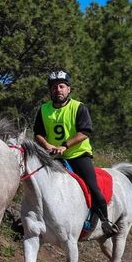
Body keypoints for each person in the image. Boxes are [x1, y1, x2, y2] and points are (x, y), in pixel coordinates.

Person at [34, 70, 114, 236]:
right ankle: (28, 219)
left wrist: (65, 146)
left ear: (68, 89)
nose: (58, 90)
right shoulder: (43, 110)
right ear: (50, 91)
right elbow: (38, 134)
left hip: (78, 155)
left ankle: (105, 221)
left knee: (93, 187)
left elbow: (85, 131)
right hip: (52, 155)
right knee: (33, 181)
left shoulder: (79, 107)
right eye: (54, 87)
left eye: (61, 86)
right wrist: (47, 144)